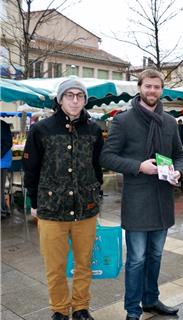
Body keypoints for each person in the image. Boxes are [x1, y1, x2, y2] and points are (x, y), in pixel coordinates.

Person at [100, 69, 183, 320]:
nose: (152, 91)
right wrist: (138, 166)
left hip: (162, 199)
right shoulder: (123, 120)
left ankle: (150, 299)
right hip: (137, 201)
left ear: (162, 90)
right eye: (148, 86)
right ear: (139, 87)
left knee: (156, 255)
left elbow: (179, 155)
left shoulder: (169, 121)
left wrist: (179, 172)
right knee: (136, 259)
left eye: (157, 87)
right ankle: (132, 309)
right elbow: (107, 156)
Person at [23, 78, 104, 320]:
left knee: (84, 263)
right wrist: (34, 204)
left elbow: (98, 167)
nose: (75, 100)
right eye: (70, 95)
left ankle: (80, 307)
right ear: (60, 99)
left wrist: (96, 194)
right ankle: (59, 309)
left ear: (85, 100)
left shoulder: (93, 129)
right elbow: (31, 169)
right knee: (55, 266)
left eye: (80, 95)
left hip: (85, 208)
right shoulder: (41, 129)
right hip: (51, 208)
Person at [1, 120, 13, 218]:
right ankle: (4, 209)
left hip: (1, 162)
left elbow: (8, 143)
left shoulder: (3, 125)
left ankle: (2, 211)